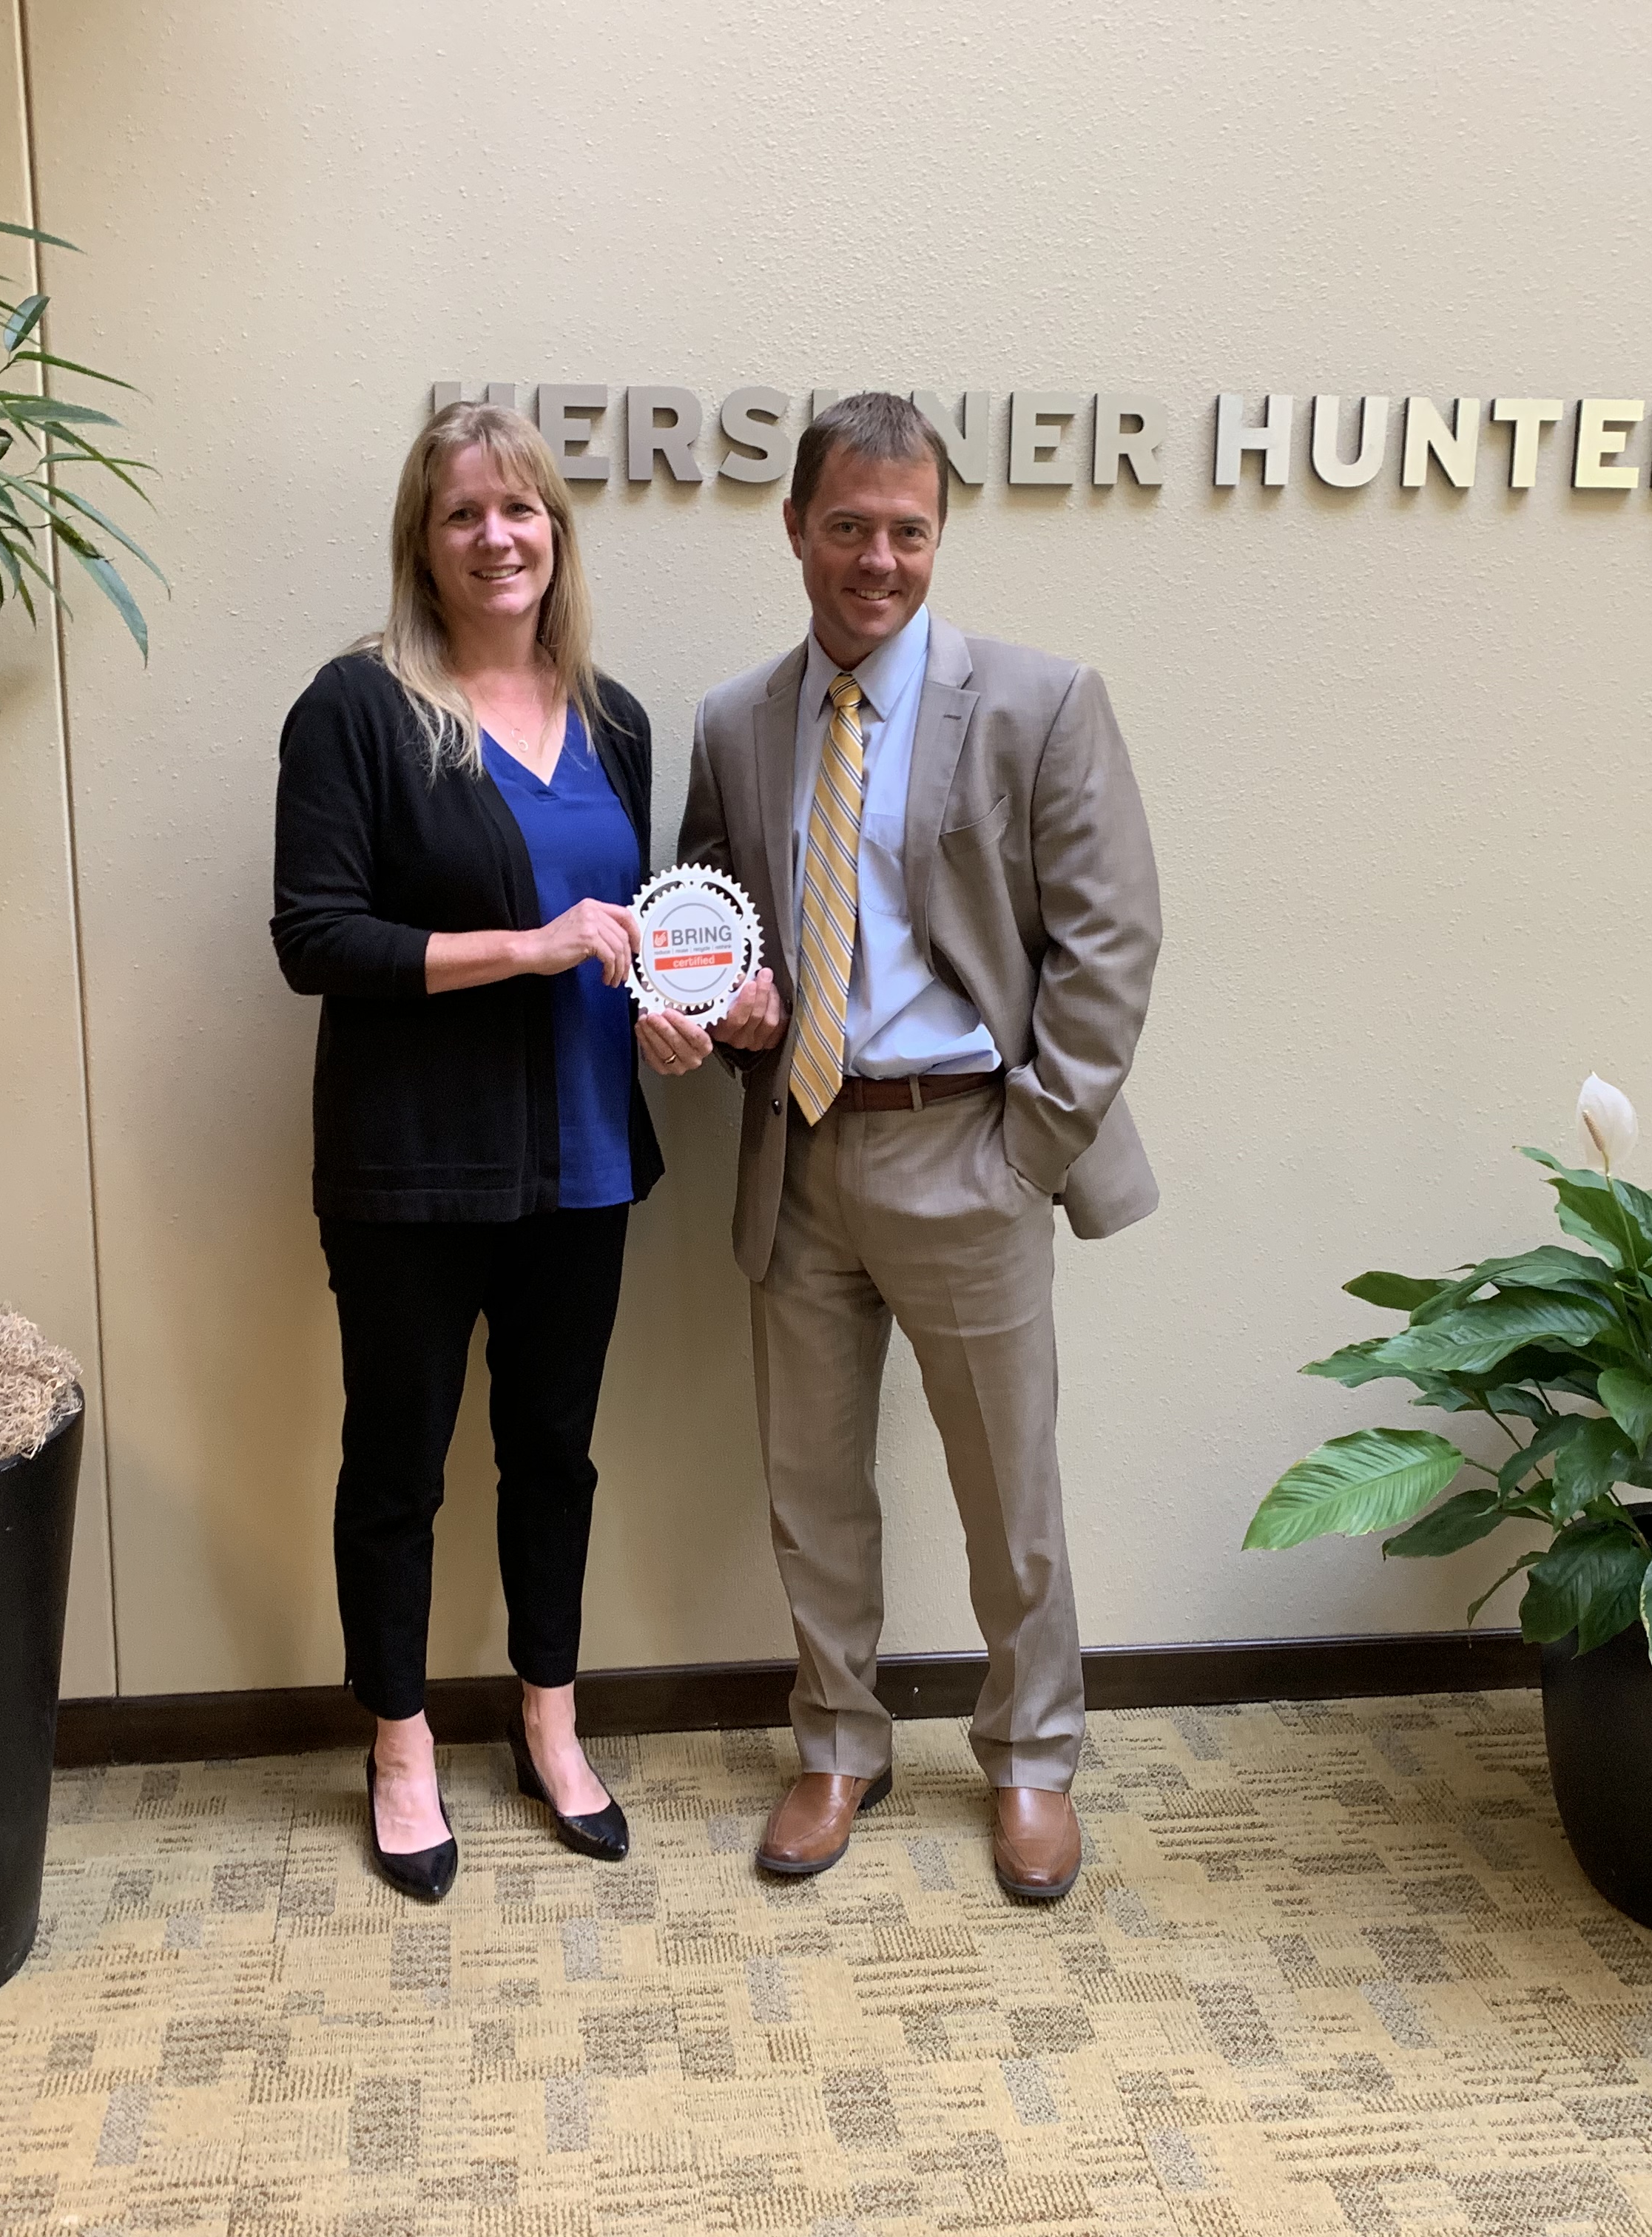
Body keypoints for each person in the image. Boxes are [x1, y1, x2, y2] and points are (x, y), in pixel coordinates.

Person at [644, 391, 1162, 1902]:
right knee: (810, 1481)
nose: (879, 559)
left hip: (966, 1149)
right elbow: (712, 915)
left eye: (909, 531)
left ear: (940, 534)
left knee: (1012, 1488)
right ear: (797, 527)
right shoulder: (738, 722)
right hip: (794, 1150)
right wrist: (713, 1009)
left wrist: (1028, 1148)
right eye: (851, 528)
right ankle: (837, 1743)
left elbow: (1110, 942)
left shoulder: (1039, 702)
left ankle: (1035, 1760)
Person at [272, 401, 693, 1901]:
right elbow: (316, 941)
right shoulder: (360, 710)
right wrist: (530, 945)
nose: (497, 537)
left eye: (522, 510)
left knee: (553, 1459)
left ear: (557, 535)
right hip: (411, 1170)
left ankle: (550, 1723)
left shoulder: (622, 721)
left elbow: (635, 936)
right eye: (465, 514)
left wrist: (675, 1007)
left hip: (585, 1161)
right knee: (396, 1468)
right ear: (423, 543)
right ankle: (398, 1749)